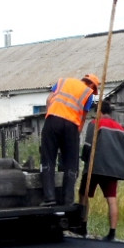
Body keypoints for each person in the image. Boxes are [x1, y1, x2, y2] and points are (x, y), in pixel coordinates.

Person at [40, 73, 99, 206]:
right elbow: (83, 118)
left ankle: (49, 198)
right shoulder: (88, 93)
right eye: (94, 88)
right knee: (71, 163)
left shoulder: (62, 81)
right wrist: (75, 135)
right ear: (91, 84)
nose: (93, 91)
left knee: (48, 159)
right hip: (71, 126)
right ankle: (68, 200)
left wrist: (50, 119)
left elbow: (49, 100)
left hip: (53, 120)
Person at [79, 100, 124, 241]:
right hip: (113, 170)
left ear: (99, 112)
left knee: (84, 196)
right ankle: (112, 233)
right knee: (111, 199)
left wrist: (85, 160)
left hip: (94, 168)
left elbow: (87, 146)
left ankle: (82, 228)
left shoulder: (95, 124)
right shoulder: (121, 128)